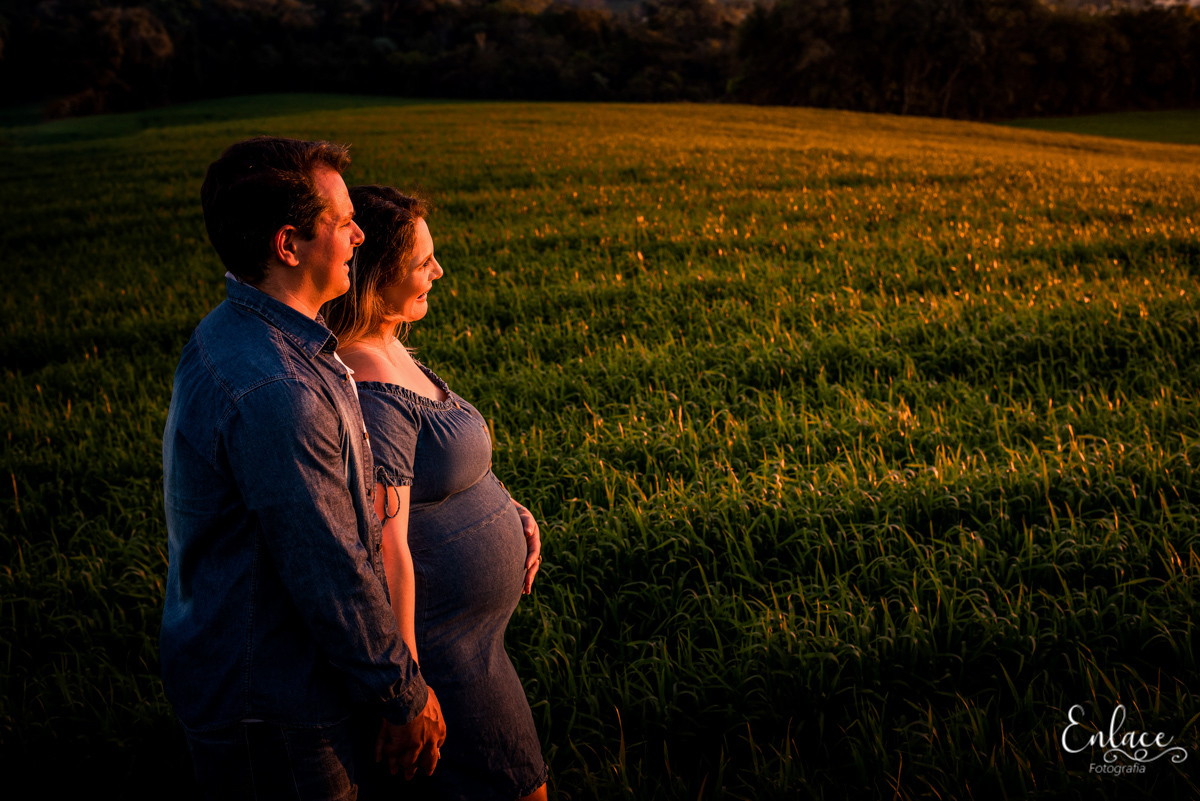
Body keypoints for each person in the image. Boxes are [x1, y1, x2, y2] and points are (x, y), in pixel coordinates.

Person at [161, 136, 446, 800]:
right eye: (343, 221)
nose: (359, 233)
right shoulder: (278, 389)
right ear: (289, 245)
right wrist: (402, 694)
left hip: (262, 688)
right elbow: (329, 564)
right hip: (281, 708)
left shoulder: (241, 332)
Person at [324, 185, 548, 801]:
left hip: (475, 644)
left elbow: (443, 470)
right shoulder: (368, 381)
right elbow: (385, 550)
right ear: (376, 275)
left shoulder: (390, 345)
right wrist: (409, 691)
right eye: (422, 262)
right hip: (447, 658)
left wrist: (505, 510)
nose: (438, 271)